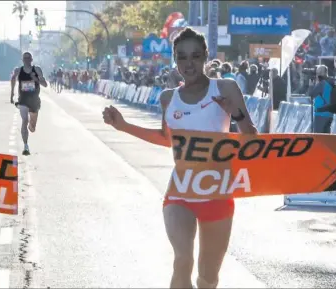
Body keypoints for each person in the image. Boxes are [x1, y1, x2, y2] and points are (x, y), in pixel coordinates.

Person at [102, 27, 257, 288]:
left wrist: (237, 116)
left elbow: (251, 141)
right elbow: (167, 139)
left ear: (205, 57)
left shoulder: (226, 89)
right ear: (175, 60)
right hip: (180, 193)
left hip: (217, 194)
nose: (189, 63)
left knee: (208, 279)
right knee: (182, 259)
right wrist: (123, 126)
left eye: (195, 56)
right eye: (182, 57)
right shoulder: (168, 98)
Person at [10, 51, 48, 156]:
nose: (26, 60)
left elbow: (45, 84)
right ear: (22, 60)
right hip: (23, 99)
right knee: (24, 121)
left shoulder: (37, 70)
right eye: (24, 58)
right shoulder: (18, 70)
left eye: (28, 58)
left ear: (31, 59)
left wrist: (36, 79)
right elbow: (13, 80)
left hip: (34, 100)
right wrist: (12, 94)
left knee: (32, 127)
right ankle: (26, 146)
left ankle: (32, 126)